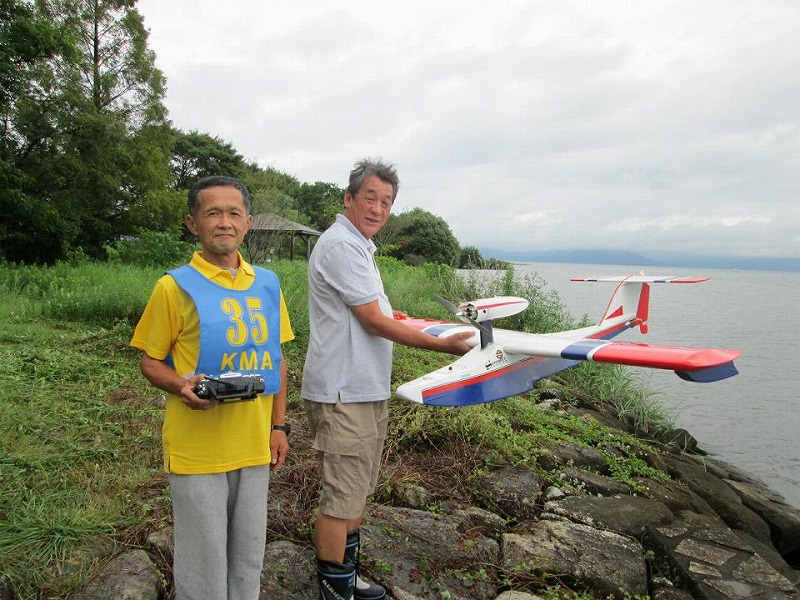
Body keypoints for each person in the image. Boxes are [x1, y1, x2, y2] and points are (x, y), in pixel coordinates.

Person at [302, 158, 474, 600]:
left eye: (386, 202)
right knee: (340, 497)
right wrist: (444, 346)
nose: (378, 209)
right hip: (343, 392)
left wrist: (391, 312)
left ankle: (347, 577)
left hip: (364, 388)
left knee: (357, 491)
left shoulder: (360, 246)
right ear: (349, 199)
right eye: (370, 198)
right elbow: (373, 322)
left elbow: (371, 311)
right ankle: (335, 590)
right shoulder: (341, 245)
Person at [130, 175, 294, 600]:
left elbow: (276, 360)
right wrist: (180, 384)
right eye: (213, 213)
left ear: (248, 222)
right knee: (203, 569)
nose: (224, 222)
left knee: (248, 562)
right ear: (193, 223)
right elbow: (150, 361)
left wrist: (279, 427)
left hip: (254, 446)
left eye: (234, 213)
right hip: (197, 450)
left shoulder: (268, 283)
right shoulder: (173, 286)